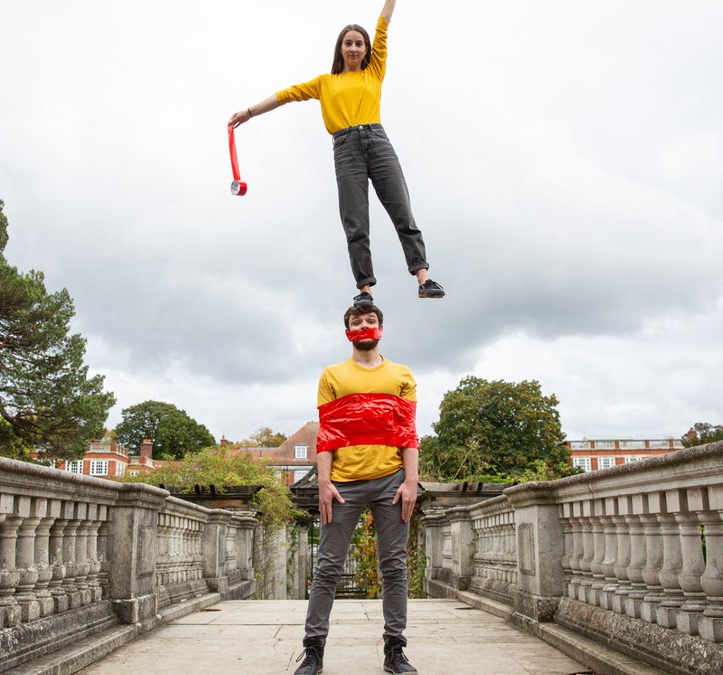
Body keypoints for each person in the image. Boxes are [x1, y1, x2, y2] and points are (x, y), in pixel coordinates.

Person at [228, 0, 445, 309]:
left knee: (402, 210)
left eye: (359, 43)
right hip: (345, 149)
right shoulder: (324, 83)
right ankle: (365, 290)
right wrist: (250, 112)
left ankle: (423, 278)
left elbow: (383, 24)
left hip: (377, 141)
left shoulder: (374, 71)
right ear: (340, 49)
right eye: (348, 43)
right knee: (355, 222)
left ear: (366, 49)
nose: (354, 48)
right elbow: (286, 95)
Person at [293, 303, 420, 675]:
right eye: (356, 321)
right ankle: (313, 650)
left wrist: (411, 482)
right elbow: (328, 433)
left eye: (370, 320)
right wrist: (323, 482)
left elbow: (408, 434)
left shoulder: (401, 375)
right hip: (343, 486)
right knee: (328, 567)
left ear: (381, 327)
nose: (364, 325)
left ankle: (395, 650)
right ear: (347, 329)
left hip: (391, 483)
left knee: (394, 567)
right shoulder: (332, 375)